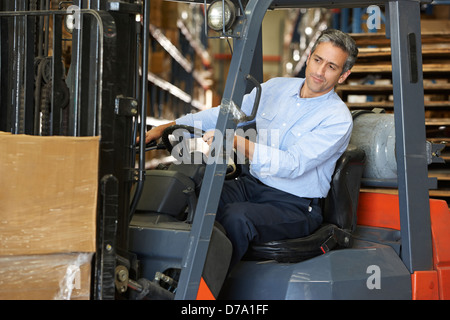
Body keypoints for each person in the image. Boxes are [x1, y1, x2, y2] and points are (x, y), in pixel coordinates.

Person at [143, 29, 358, 270]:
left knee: (237, 218)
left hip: (294, 204)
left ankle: (202, 294)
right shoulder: (276, 88)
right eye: (318, 60)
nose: (319, 71)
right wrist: (171, 126)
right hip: (252, 185)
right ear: (309, 57)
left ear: (343, 75)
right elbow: (226, 115)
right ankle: (168, 273)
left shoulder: (337, 119)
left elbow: (292, 164)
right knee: (193, 196)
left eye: (331, 66)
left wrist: (235, 141)